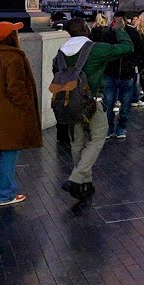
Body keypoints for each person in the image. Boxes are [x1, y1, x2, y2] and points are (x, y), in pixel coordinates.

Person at [55, 17, 134, 202]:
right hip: (92, 102)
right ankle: (76, 178)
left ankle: (85, 183)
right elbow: (127, 48)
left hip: (69, 103)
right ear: (86, 28)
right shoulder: (96, 48)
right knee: (97, 138)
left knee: (77, 142)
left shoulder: (60, 52)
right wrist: (120, 30)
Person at [0, 21, 42, 207]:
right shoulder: (14, 58)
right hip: (9, 115)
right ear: (11, 37)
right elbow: (15, 88)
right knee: (8, 154)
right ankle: (5, 194)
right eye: (15, 32)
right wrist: (27, 107)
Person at [93, 13, 140, 139]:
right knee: (109, 103)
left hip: (125, 73)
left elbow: (139, 51)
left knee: (125, 105)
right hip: (112, 73)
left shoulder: (132, 33)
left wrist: (133, 64)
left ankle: (120, 127)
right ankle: (111, 127)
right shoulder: (107, 34)